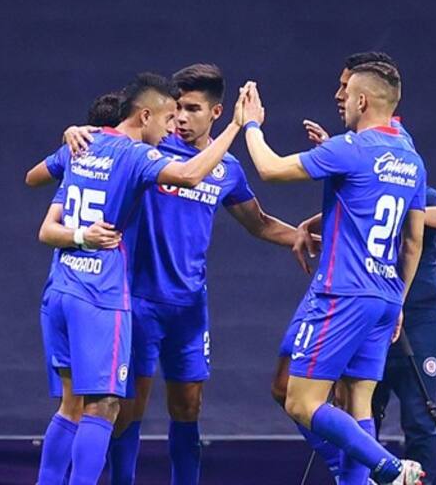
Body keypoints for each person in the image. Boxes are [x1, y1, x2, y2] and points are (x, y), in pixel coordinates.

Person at [41, 64, 311, 485]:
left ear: (216, 112)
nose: (181, 119)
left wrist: (300, 237)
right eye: (176, 110)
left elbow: (257, 222)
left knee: (188, 407)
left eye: (192, 109)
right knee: (123, 410)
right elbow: (108, 136)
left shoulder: (225, 169)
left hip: (188, 308)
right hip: (137, 300)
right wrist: (75, 132)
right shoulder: (149, 152)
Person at [239, 58, 427, 485]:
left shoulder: (351, 149)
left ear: (363, 100)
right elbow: (412, 241)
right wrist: (398, 299)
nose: (339, 99)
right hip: (384, 296)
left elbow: (270, 169)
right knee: (359, 402)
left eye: (346, 93)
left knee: (301, 402)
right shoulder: (411, 158)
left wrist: (251, 125)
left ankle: (392, 470)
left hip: (342, 293)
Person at [372, 187, 436, 484]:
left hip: (419, 318)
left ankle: (420, 481)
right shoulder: (364, 186)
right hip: (371, 314)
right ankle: (366, 478)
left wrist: (410, 213)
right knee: (363, 410)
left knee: (419, 415)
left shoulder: (418, 191)